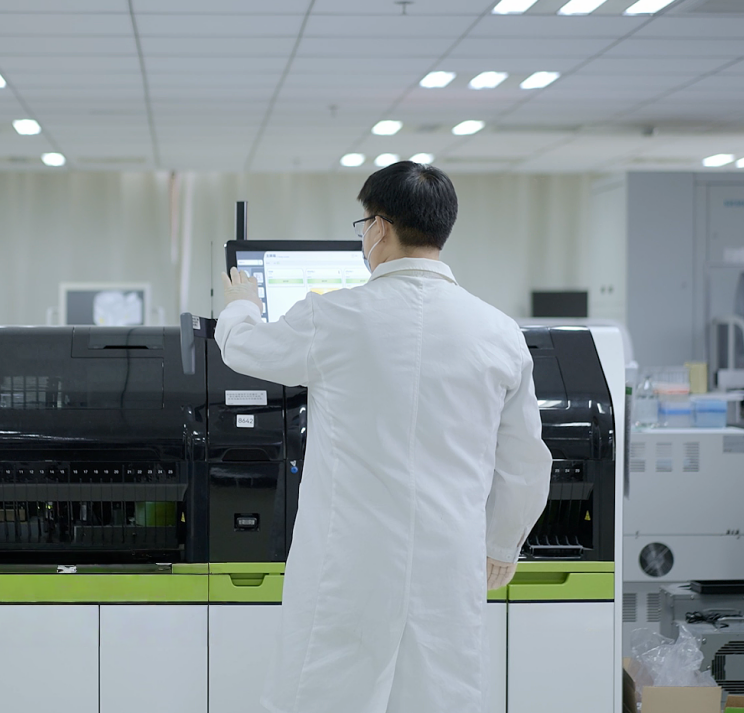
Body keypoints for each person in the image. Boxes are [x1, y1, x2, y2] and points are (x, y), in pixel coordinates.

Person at [215, 161, 553, 713]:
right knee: (439, 699)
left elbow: (244, 349)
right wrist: (500, 546)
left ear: (378, 227)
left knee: (323, 697)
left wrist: (241, 306)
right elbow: (524, 461)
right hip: (449, 563)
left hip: (349, 565)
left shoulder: (333, 316)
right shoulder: (499, 333)